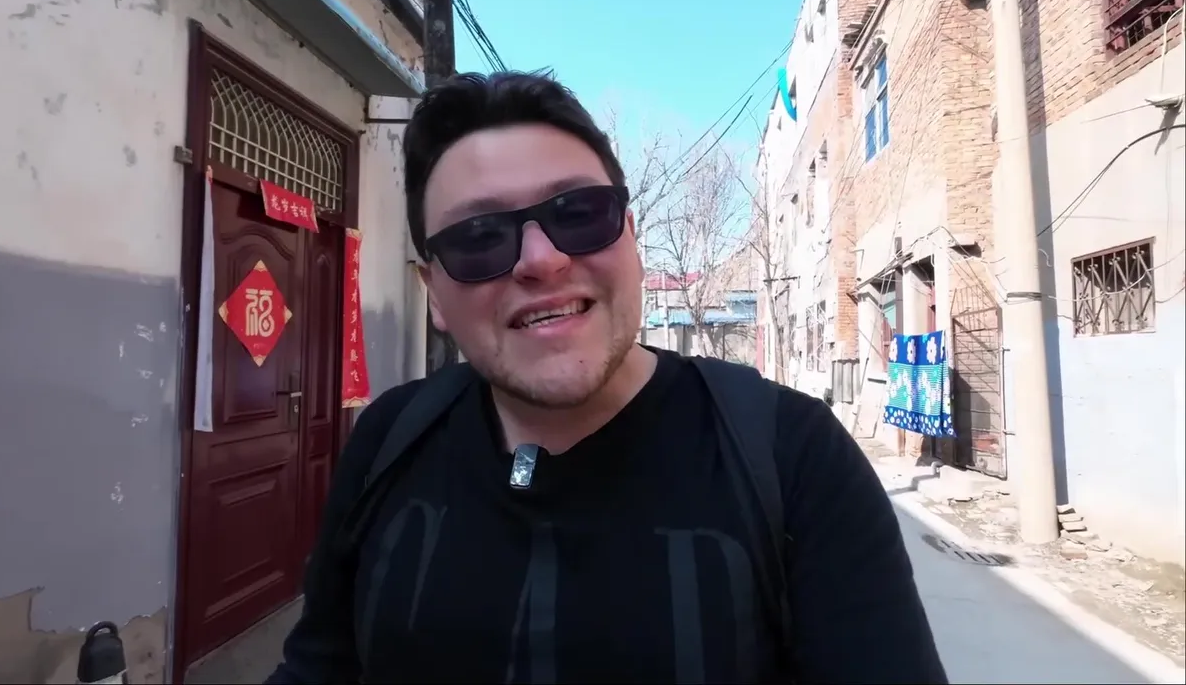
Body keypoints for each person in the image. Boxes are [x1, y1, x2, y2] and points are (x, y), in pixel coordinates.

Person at [265, 71, 948, 684]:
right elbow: (316, 667)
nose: (541, 260)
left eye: (579, 213)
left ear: (632, 239)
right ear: (434, 295)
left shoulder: (793, 454)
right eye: (478, 237)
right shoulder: (389, 439)